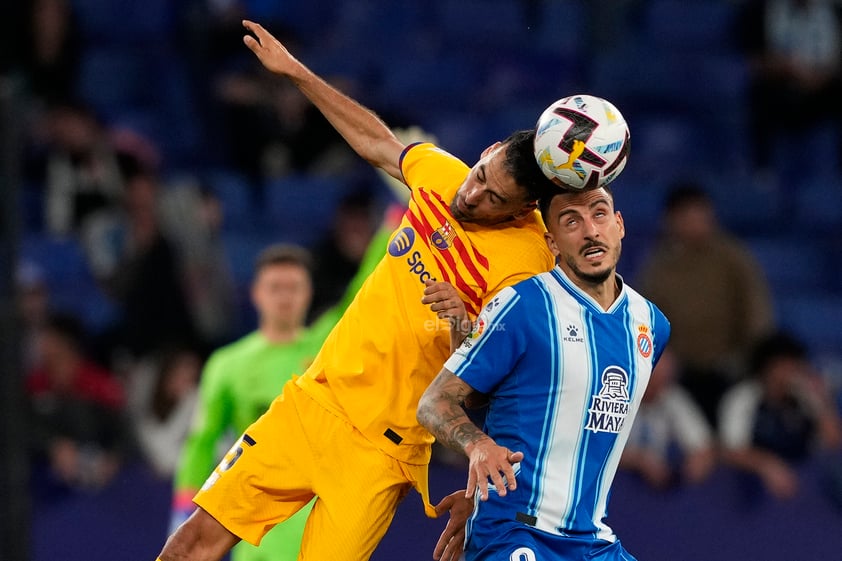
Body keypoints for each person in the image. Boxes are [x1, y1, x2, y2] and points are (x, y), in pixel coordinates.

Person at [155, 19, 557, 561]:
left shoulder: (527, 264)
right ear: (484, 152)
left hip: (382, 451)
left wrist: (463, 321)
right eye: (480, 174)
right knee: (192, 545)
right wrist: (297, 74)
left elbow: (500, 375)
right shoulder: (440, 173)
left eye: (493, 197)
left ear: (524, 209)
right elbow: (376, 142)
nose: (472, 193)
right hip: (313, 402)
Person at [417, 186, 670, 561]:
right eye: (571, 221)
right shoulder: (520, 306)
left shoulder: (652, 324)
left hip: (595, 541)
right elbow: (435, 402)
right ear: (551, 242)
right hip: (516, 534)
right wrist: (479, 448)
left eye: (599, 214)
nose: (590, 231)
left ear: (619, 225)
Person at [169, 239, 382, 561]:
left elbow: (365, 292)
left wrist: (395, 225)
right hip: (260, 536)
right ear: (256, 293)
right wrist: (184, 509)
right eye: (275, 287)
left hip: (328, 519)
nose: (285, 296)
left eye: (294, 287)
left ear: (309, 293)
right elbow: (201, 441)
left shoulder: (329, 346)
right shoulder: (227, 365)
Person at [635, 181, 774, 425]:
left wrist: (753, 360)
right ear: (672, 220)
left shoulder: (733, 258)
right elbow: (645, 320)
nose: (696, 221)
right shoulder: (658, 268)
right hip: (679, 375)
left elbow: (756, 311)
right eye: (687, 215)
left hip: (731, 370)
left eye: (701, 213)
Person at [718, 330, 842, 503]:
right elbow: (731, 450)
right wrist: (767, 465)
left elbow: (833, 440)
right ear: (768, 368)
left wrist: (821, 401)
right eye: (786, 366)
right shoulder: (743, 397)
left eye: (796, 365)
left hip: (806, 494)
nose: (793, 372)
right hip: (754, 494)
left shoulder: (804, 395)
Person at [619, 346, 717, 490]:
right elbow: (592, 447)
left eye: (663, 382)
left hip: (652, 493)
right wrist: (638, 460)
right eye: (652, 381)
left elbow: (703, 445)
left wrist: (698, 460)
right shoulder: (612, 395)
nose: (657, 389)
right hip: (612, 486)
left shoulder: (672, 398)